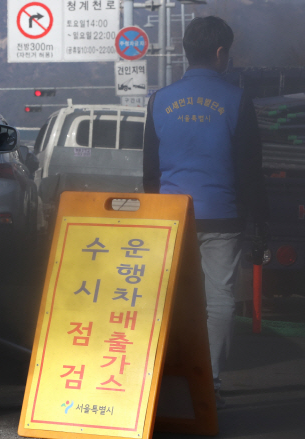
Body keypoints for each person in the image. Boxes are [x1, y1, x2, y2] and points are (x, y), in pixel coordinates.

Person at [142, 16, 269, 408]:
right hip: (222, 216)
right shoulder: (236, 100)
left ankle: (157, 375)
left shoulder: (159, 100)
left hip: (170, 215)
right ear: (220, 53)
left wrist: (154, 212)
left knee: (165, 297)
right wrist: (258, 221)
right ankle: (209, 381)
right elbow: (250, 168)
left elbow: (149, 168)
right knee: (218, 299)